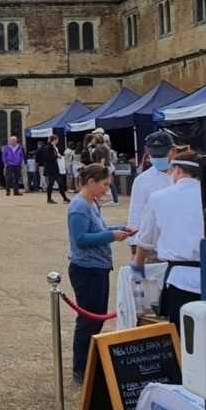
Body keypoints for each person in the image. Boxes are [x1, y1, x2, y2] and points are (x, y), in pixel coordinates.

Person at [66, 162, 135, 382]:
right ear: (91, 182)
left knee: (96, 318)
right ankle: (81, 367)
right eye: (104, 184)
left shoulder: (92, 202)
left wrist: (118, 229)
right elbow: (81, 239)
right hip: (86, 270)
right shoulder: (79, 206)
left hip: (98, 267)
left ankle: (89, 363)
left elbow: (99, 230)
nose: (107, 189)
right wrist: (111, 236)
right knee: (88, 319)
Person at [133, 151, 206, 329]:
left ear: (178, 170)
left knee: (181, 337)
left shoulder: (160, 197)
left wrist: (138, 264)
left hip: (180, 281)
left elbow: (145, 239)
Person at [127, 131, 176, 239]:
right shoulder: (141, 180)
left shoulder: (185, 176)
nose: (157, 158)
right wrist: (134, 243)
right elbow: (136, 212)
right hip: (154, 243)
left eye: (161, 154)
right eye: (154, 155)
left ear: (173, 150)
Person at [43, 135, 71, 204]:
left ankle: (64, 198)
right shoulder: (48, 147)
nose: (58, 141)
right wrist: (56, 156)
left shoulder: (53, 147)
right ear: (54, 140)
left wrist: (57, 156)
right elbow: (47, 158)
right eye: (57, 140)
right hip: (51, 169)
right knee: (51, 184)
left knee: (60, 183)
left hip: (55, 168)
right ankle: (49, 199)